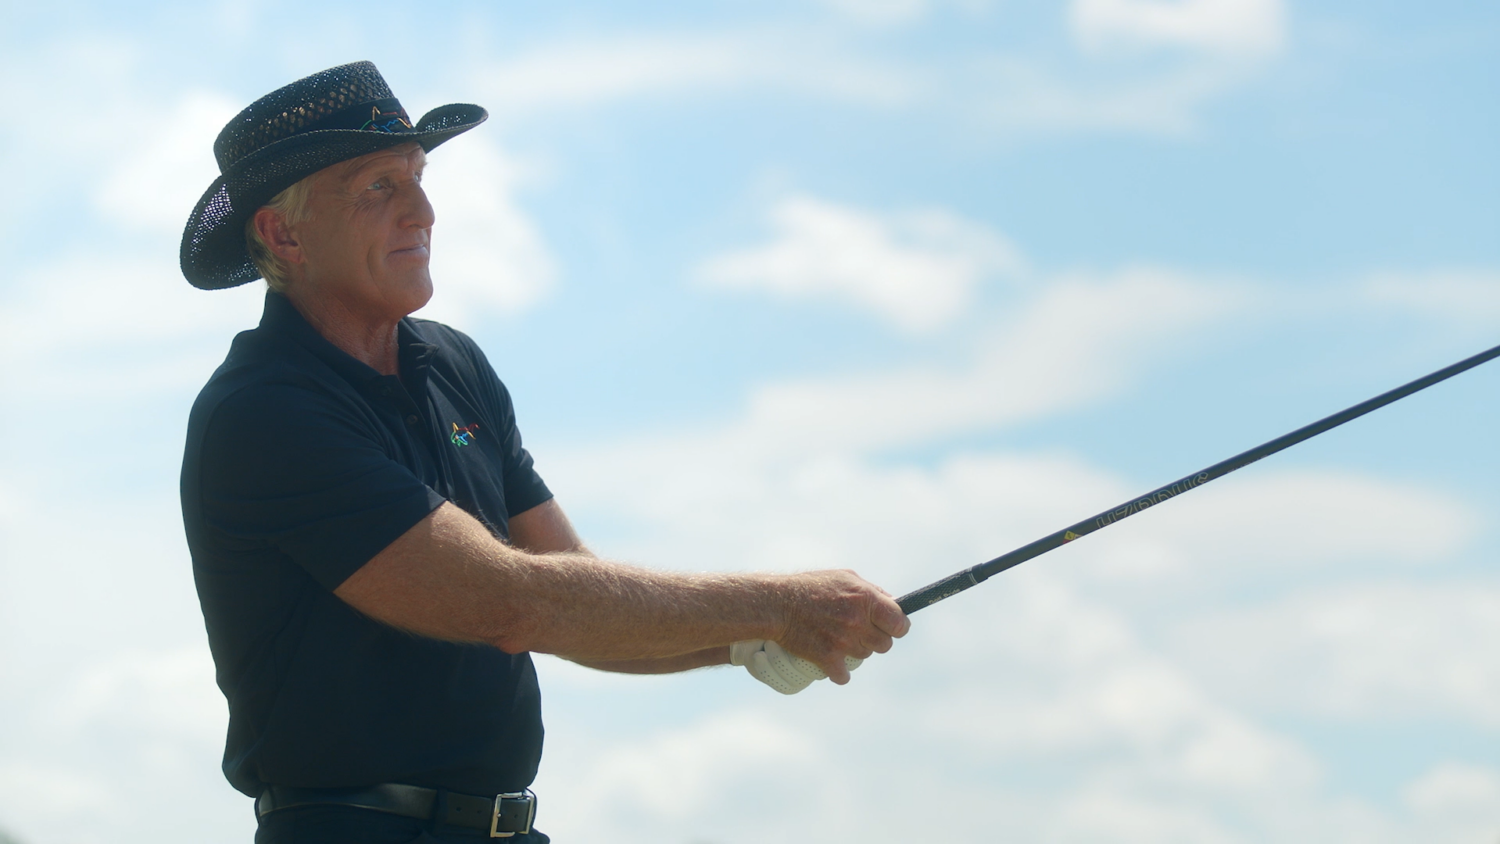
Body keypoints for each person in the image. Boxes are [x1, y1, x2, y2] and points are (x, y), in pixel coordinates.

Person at [179, 61, 909, 843]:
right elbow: (511, 602)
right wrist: (777, 606)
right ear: (282, 233)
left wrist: (750, 641)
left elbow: (573, 588)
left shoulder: (454, 364)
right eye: (378, 188)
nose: (423, 212)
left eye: (418, 178)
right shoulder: (264, 411)